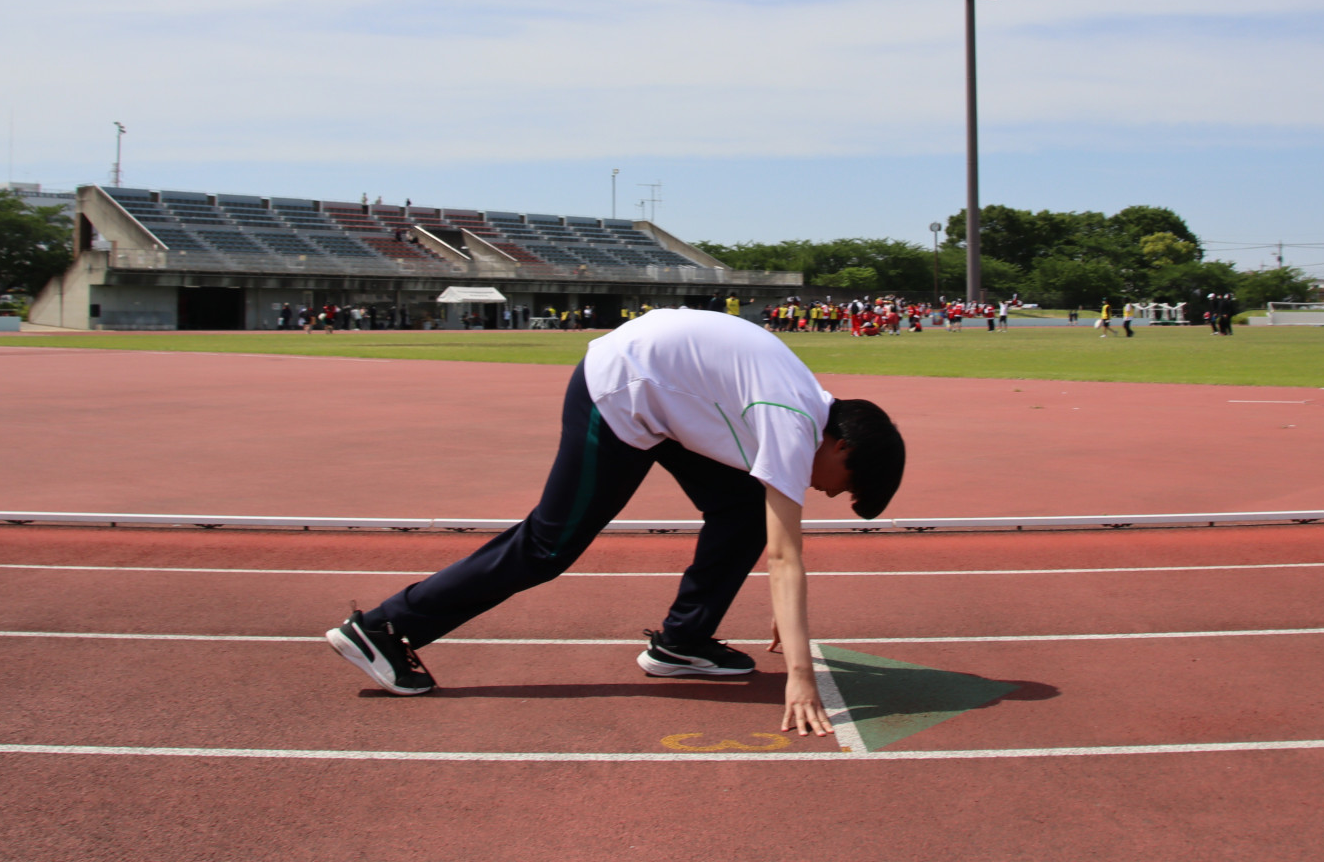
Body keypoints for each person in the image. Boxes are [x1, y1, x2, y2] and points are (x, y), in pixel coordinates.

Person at [325, 309, 906, 738]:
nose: (828, 490)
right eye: (846, 483)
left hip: (665, 397)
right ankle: (383, 629)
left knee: (743, 509)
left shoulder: (808, 404)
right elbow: (787, 557)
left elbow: (775, 535)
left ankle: (683, 643)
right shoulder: (792, 419)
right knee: (550, 545)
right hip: (619, 390)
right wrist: (799, 677)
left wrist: (788, 618)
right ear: (842, 443)